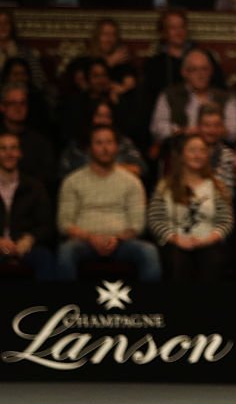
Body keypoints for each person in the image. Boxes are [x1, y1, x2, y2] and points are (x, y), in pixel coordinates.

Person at [54, 125, 160, 281]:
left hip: (122, 243)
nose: (105, 148)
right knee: (66, 251)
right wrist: (91, 238)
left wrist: (116, 239)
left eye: (109, 143)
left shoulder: (132, 181)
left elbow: (138, 224)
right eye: (99, 143)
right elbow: (64, 223)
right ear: (89, 148)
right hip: (84, 243)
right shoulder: (72, 181)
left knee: (148, 251)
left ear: (117, 147)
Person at [147, 134, 233, 282]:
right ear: (181, 155)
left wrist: (208, 240)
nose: (197, 155)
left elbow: (226, 221)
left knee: (213, 260)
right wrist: (175, 239)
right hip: (176, 241)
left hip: (208, 241)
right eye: (192, 150)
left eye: (202, 151)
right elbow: (155, 220)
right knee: (177, 261)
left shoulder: (217, 187)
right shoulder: (164, 187)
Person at [150, 48, 236, 146]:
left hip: (216, 151)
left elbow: (234, 132)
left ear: (211, 72)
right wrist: (185, 131)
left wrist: (211, 131)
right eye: (194, 70)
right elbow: (157, 129)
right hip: (180, 151)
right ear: (184, 72)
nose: (200, 75)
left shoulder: (226, 97)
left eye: (204, 69)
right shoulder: (169, 95)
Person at [0, 132, 54, 280]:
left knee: (45, 257)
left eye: (13, 148)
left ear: (20, 153)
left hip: (24, 245)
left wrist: (30, 239)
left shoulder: (34, 187)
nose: (8, 153)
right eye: (3, 148)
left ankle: (43, 302)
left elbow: (46, 225)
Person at [60, 99, 146, 180]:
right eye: (99, 116)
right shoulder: (77, 145)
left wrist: (108, 169)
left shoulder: (123, 142)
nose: (103, 121)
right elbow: (64, 174)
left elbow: (140, 169)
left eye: (107, 116)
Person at [0, 82, 56, 190]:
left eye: (22, 103)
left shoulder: (39, 142)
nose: (18, 108)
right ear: (2, 107)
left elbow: (48, 177)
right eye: (13, 103)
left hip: (30, 198)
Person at [198, 103, 236, 197]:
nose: (212, 130)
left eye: (216, 125)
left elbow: (227, 193)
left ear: (222, 128)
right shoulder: (187, 153)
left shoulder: (228, 156)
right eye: (207, 125)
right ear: (198, 127)